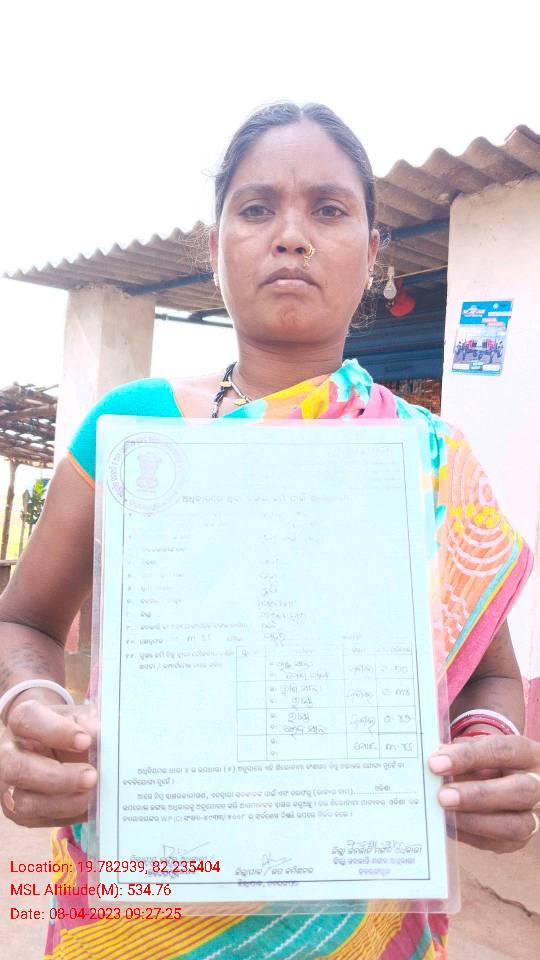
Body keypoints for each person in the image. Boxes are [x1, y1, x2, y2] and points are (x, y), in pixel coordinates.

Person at [0, 101, 538, 960]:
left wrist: (489, 751)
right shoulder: (131, 433)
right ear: (214, 247)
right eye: (256, 209)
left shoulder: (429, 458)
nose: (291, 236)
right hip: (142, 917)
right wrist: (32, 706)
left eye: (328, 209)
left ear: (372, 252)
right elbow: (23, 619)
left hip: (364, 921)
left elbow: (494, 679)